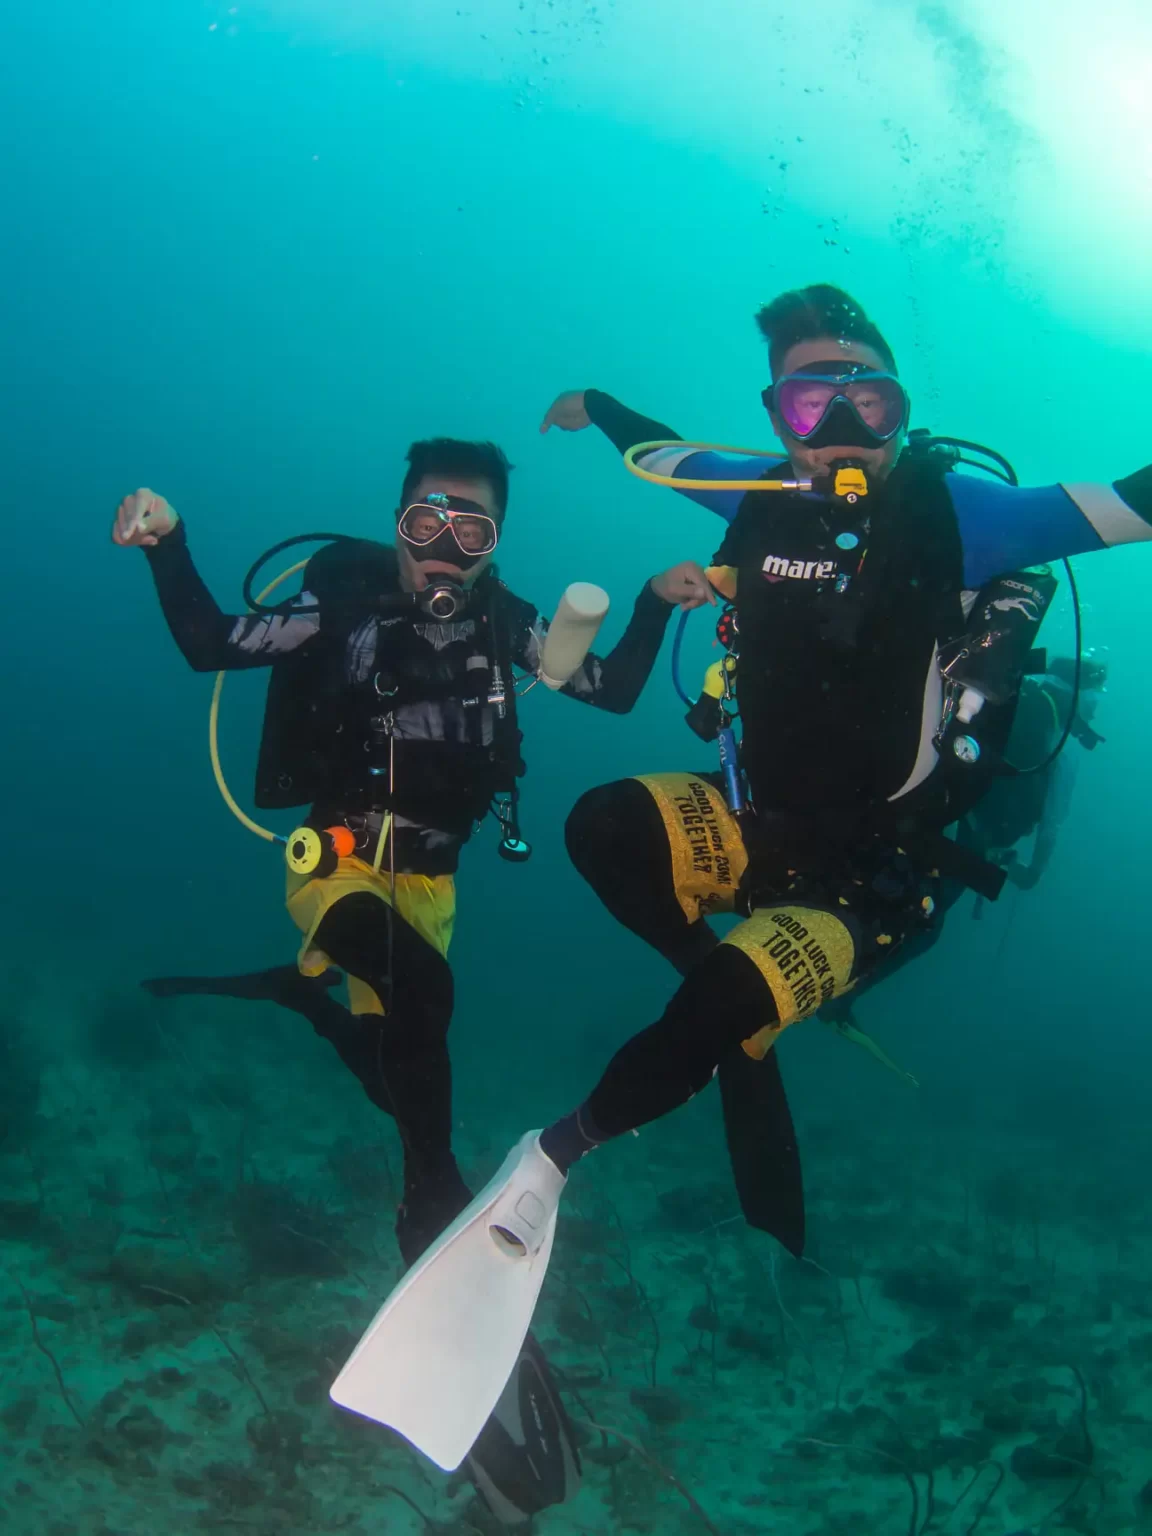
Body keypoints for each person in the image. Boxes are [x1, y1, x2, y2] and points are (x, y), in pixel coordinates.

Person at [326, 285, 1152, 1475]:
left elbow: (1130, 502)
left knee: (713, 1007)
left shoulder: (969, 514)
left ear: (902, 411)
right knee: (605, 826)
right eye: (814, 403)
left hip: (885, 880)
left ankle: (552, 1160)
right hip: (767, 830)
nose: (844, 427)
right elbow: (656, 449)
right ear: (778, 417)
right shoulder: (752, 492)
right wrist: (596, 404)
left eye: (870, 399)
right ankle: (729, 1005)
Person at [111, 436, 707, 1522]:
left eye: (470, 530)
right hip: (334, 869)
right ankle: (427, 1201)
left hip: (432, 887)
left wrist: (653, 604)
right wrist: (168, 540)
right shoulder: (339, 614)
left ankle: (308, 1002)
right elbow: (209, 643)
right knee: (426, 1004)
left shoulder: (512, 628)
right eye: (426, 521)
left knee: (400, 1067)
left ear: (495, 544)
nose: (444, 547)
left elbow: (615, 690)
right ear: (397, 524)